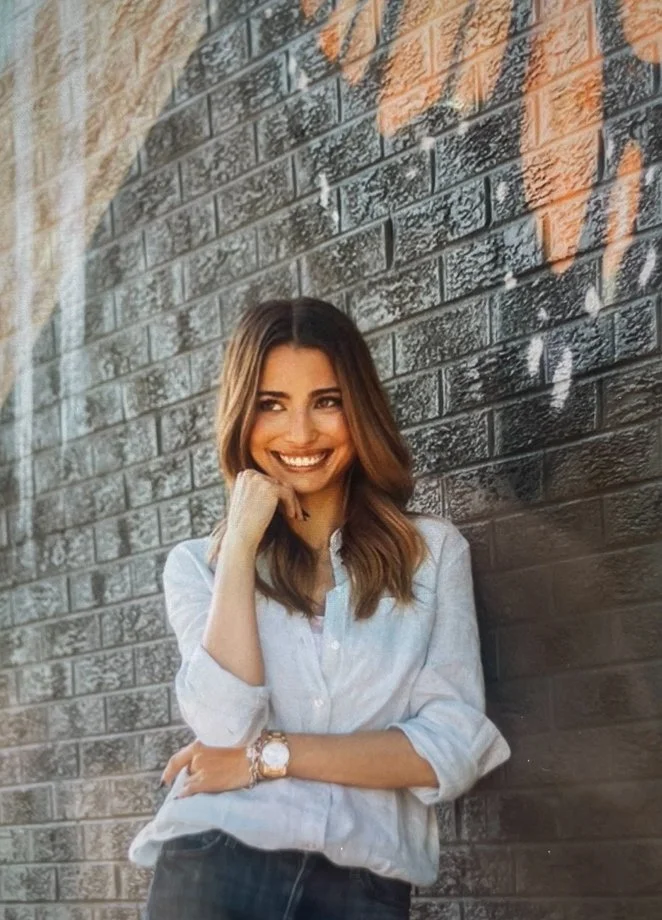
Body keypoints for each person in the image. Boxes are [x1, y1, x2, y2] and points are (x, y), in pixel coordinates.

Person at [128, 297, 511, 919]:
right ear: (241, 417)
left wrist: (263, 758)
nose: (301, 434)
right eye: (271, 405)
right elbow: (225, 725)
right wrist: (240, 547)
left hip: (360, 886)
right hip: (215, 864)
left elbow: (448, 748)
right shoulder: (197, 565)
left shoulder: (432, 554)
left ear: (358, 410)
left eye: (326, 402)